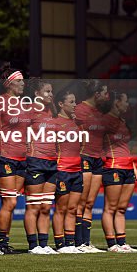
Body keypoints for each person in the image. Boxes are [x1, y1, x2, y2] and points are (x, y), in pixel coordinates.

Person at [99, 91, 137, 252]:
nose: (128, 104)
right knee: (110, 207)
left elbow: (125, 147)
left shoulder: (122, 121)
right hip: (113, 166)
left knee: (122, 208)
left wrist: (134, 167)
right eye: (125, 101)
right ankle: (111, 244)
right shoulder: (104, 121)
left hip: (128, 167)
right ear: (116, 102)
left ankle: (122, 243)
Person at [0, 68, 28, 255]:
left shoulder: (23, 103)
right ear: (8, 83)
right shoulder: (0, 102)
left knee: (12, 202)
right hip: (6, 156)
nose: (23, 84)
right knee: (10, 202)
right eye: (19, 80)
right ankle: (0, 244)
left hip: (22, 158)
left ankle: (5, 243)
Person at [73, 80, 109, 253]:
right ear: (97, 94)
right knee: (80, 202)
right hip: (84, 156)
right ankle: (77, 242)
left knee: (89, 203)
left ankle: (86, 243)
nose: (107, 96)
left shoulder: (100, 112)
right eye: (105, 93)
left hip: (97, 159)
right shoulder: (80, 109)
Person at [24, 79, 59, 255]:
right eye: (47, 91)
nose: (51, 94)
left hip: (51, 162)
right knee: (34, 206)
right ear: (37, 93)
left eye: (51, 91)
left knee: (46, 207)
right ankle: (33, 245)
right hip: (35, 161)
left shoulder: (51, 111)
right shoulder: (29, 110)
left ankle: (44, 245)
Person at [51, 90, 84, 253]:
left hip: (77, 170)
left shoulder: (76, 123)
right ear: (60, 104)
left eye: (75, 101)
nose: (75, 104)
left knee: (72, 209)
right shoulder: (55, 123)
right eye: (71, 102)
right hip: (62, 170)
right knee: (61, 208)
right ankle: (60, 244)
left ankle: (70, 243)